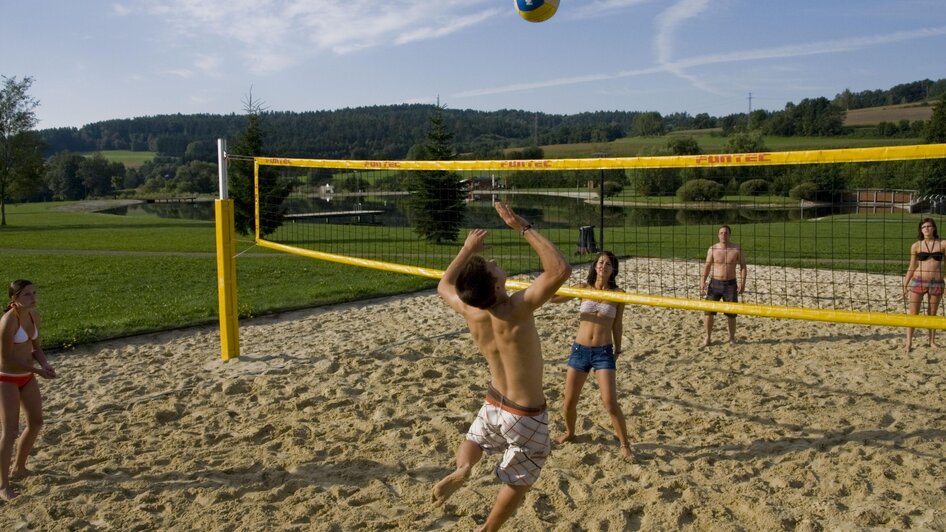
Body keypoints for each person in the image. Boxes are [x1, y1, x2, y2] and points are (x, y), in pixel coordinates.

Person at [431, 202, 571, 531]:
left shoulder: (472, 311)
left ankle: (464, 468)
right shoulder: (517, 308)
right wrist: (522, 226)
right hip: (526, 414)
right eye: (493, 267)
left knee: (476, 441)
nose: (495, 262)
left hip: (495, 402)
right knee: (520, 480)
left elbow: (442, 286)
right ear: (495, 287)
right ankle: (488, 530)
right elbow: (559, 269)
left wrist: (467, 249)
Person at [552, 251, 632, 460]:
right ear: (595, 266)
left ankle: (624, 444)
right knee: (568, 403)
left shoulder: (619, 293)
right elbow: (553, 298)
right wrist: (555, 278)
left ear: (613, 269)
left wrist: (618, 350)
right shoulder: (583, 288)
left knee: (610, 403)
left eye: (607, 263)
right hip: (579, 350)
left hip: (603, 351)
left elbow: (618, 324)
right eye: (600, 262)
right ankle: (570, 432)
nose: (603, 265)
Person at [1, 280, 56, 501]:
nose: (33, 298)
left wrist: (44, 364)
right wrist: (38, 371)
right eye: (27, 295)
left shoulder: (34, 316)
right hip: (6, 378)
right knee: (10, 432)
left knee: (36, 422)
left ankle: (20, 468)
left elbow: (36, 347)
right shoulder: (7, 322)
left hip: (27, 376)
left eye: (34, 293)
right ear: (14, 299)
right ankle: (3, 485)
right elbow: (7, 360)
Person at [700, 225, 747, 346]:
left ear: (729, 235)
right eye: (721, 233)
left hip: (731, 284)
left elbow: (743, 266)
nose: (723, 235)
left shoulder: (737, 249)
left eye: (726, 233)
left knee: (732, 314)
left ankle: (732, 338)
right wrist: (702, 281)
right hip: (714, 284)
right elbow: (707, 266)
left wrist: (743, 283)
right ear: (718, 235)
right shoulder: (713, 249)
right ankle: (708, 338)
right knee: (708, 312)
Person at [903, 217, 945, 353]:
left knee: (932, 314)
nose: (926, 229)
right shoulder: (916, 246)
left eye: (929, 226)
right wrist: (905, 284)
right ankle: (908, 343)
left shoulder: (943, 244)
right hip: (918, 281)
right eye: (923, 227)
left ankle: (932, 341)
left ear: (934, 228)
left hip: (937, 283)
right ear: (921, 230)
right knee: (913, 314)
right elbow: (911, 266)